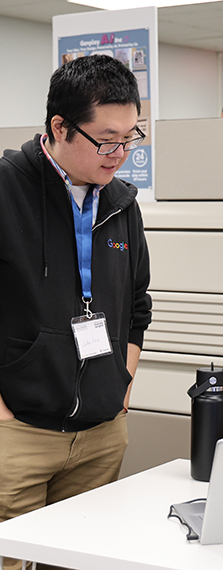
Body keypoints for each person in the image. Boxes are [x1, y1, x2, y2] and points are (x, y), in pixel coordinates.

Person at [0, 54, 152, 569]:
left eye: (132, 137)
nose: (121, 153)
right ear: (59, 127)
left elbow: (137, 304)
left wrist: (121, 383)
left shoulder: (121, 203)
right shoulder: (5, 190)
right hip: (17, 432)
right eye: (107, 139)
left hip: (101, 433)